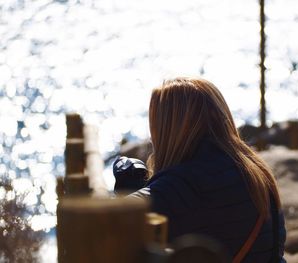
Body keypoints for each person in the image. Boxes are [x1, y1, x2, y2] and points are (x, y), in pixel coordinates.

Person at [118, 77, 286, 262]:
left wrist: (126, 194)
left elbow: (107, 223)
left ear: (168, 129)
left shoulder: (180, 185)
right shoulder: (257, 173)